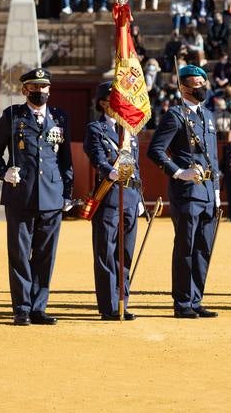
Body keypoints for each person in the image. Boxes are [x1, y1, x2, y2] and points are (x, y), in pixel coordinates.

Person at [0, 67, 73, 326]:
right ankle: (22, 308)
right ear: (24, 90)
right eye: (34, 88)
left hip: (52, 195)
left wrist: (67, 193)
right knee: (21, 253)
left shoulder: (59, 117)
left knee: (46, 255)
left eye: (44, 87)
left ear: (49, 89)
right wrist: (3, 172)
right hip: (20, 194)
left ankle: (38, 307)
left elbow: (65, 159)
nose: (40, 92)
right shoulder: (12, 115)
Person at [148, 64, 220, 318]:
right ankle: (182, 302)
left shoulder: (208, 116)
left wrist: (218, 191)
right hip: (187, 191)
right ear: (183, 88)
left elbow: (213, 156)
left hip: (209, 193)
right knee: (186, 247)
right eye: (196, 85)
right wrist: (179, 172)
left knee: (203, 249)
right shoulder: (175, 115)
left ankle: (196, 299)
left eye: (203, 84)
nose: (201, 88)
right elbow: (155, 150)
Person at [83, 81, 141, 321]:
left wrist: (139, 196)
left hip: (128, 196)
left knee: (125, 253)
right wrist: (109, 171)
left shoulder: (128, 131)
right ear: (104, 103)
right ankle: (109, 306)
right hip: (108, 195)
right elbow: (95, 155)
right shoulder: (96, 128)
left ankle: (122, 303)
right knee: (106, 252)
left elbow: (135, 167)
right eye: (115, 100)